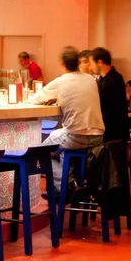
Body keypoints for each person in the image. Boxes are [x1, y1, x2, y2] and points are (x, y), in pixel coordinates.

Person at [30, 47, 104, 190]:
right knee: (58, 148)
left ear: (62, 64)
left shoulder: (60, 82)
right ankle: (69, 184)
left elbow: (35, 99)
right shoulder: (91, 79)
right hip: (98, 137)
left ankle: (68, 185)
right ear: (78, 63)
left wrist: (55, 97)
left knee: (39, 153)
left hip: (75, 136)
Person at [89, 47, 130, 142]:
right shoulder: (106, 79)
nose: (90, 67)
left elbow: (108, 110)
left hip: (114, 134)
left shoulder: (112, 81)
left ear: (99, 62)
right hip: (111, 132)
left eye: (91, 63)